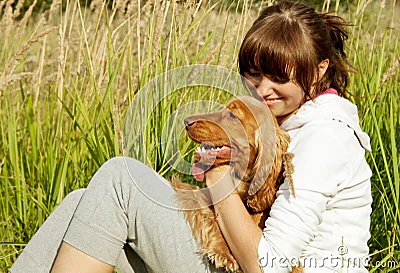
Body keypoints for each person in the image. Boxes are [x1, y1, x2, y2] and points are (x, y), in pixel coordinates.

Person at [10, 1, 372, 273]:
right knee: (85, 204)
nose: (263, 90)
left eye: (279, 77)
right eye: (254, 75)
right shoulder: (298, 121)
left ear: (320, 68)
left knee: (120, 180)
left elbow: (269, 266)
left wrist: (217, 177)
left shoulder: (323, 138)